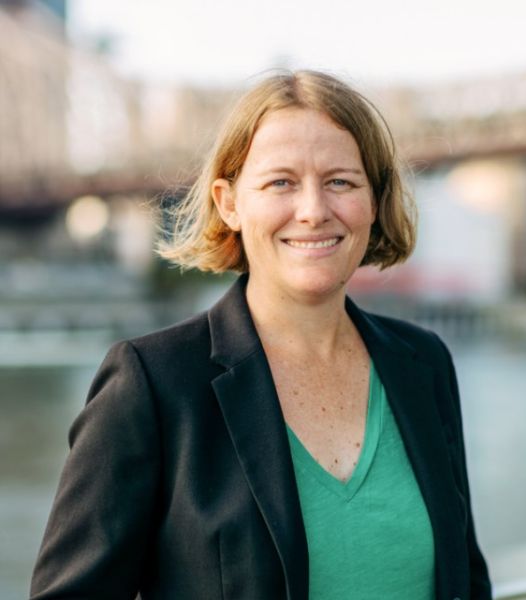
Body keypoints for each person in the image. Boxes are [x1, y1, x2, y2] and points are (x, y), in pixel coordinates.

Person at [31, 70, 492, 599]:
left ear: (374, 199)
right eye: (281, 182)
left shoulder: (424, 362)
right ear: (229, 203)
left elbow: (467, 578)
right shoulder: (153, 384)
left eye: (341, 181)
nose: (314, 210)